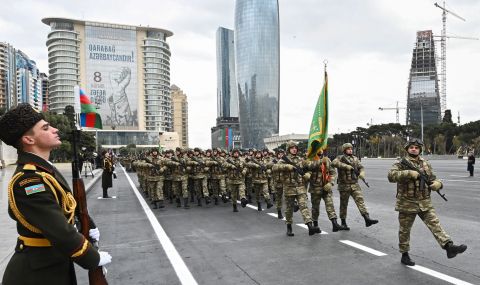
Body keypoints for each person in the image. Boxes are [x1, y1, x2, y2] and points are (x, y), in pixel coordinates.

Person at [0, 103, 111, 284]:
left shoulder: (45, 170)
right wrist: (93, 258)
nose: (54, 129)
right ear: (29, 139)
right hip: (35, 275)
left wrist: (88, 224)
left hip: (54, 264)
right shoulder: (28, 181)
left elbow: (67, 204)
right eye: (46, 127)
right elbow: (60, 229)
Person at [388, 138, 467, 266]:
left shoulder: (425, 163)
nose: (414, 149)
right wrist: (409, 173)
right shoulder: (400, 162)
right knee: (405, 230)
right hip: (407, 202)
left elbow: (433, 178)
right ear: (407, 149)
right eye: (412, 147)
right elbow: (391, 176)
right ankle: (405, 255)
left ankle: (449, 247)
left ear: (420, 150)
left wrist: (438, 184)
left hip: (424, 202)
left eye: (417, 147)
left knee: (435, 225)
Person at [272, 141, 319, 236]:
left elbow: (309, 167)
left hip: (300, 187)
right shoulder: (284, 160)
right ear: (288, 149)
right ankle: (289, 227)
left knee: (304, 206)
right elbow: (274, 167)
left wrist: (308, 174)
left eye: (295, 148)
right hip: (289, 188)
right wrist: (287, 166)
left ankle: (310, 226)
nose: (294, 149)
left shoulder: (301, 159)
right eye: (292, 148)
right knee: (289, 210)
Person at [332, 143, 378, 230]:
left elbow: (361, 167)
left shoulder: (355, 158)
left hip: (354, 184)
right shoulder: (340, 158)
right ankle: (343, 223)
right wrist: (346, 166)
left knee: (360, 201)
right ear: (344, 150)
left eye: (351, 149)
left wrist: (362, 173)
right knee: (343, 205)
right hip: (344, 185)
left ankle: (367, 219)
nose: (350, 150)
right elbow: (333, 163)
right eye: (348, 149)